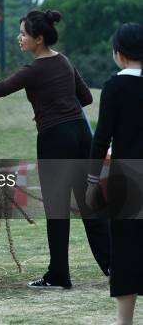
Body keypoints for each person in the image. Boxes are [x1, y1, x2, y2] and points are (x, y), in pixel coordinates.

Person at [0, 10, 110, 289]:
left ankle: (58, 275)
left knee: (57, 209)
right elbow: (86, 97)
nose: (19, 38)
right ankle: (112, 265)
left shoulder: (32, 71)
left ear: (39, 39)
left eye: (23, 34)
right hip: (81, 136)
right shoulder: (64, 61)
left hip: (55, 138)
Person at [86, 23, 143, 325]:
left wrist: (92, 180)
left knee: (125, 248)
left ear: (118, 54)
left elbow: (102, 137)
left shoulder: (115, 86)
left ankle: (125, 321)